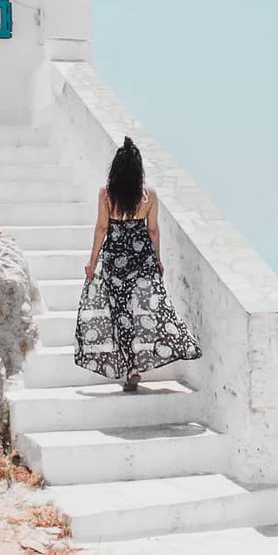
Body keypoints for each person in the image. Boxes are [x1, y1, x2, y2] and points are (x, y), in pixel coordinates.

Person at [75, 136, 201, 391]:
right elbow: (153, 230)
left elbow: (102, 228)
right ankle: (153, 355)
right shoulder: (148, 195)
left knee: (120, 313)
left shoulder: (107, 194)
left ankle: (130, 369)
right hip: (141, 257)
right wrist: (157, 259)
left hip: (115, 259)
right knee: (142, 312)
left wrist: (92, 261)